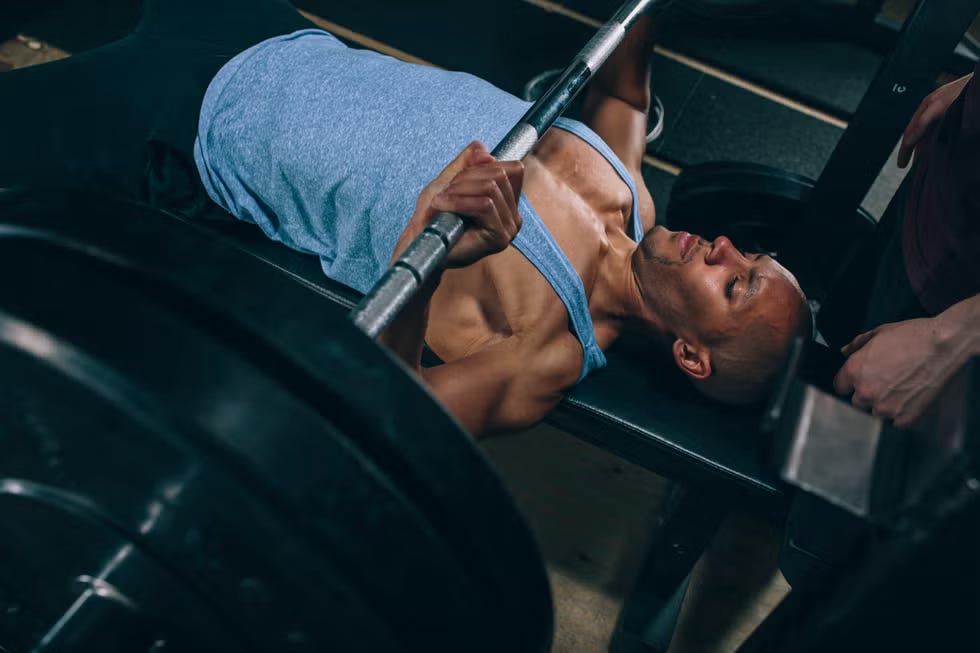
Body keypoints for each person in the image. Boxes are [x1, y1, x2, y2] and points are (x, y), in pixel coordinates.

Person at [0, 0, 810, 438]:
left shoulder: (548, 353)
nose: (724, 247)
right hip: (277, 36)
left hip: (192, 128)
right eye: (749, 255)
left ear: (691, 354)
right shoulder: (631, 194)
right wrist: (650, 15)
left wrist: (426, 251)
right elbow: (626, 95)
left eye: (734, 284)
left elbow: (391, 408)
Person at [781, 65, 980, 588]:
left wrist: (954, 339)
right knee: (818, 507)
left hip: (954, 328)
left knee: (829, 561)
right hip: (945, 211)